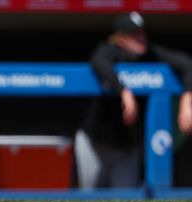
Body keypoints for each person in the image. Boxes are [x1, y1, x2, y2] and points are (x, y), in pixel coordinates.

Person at [76, 12, 192, 189]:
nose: (141, 38)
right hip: (95, 143)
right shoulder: (109, 50)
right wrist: (124, 91)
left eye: (142, 33)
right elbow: (98, 61)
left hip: (127, 147)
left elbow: (187, 63)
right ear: (120, 38)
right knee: (86, 200)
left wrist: (186, 102)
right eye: (134, 34)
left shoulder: (151, 53)